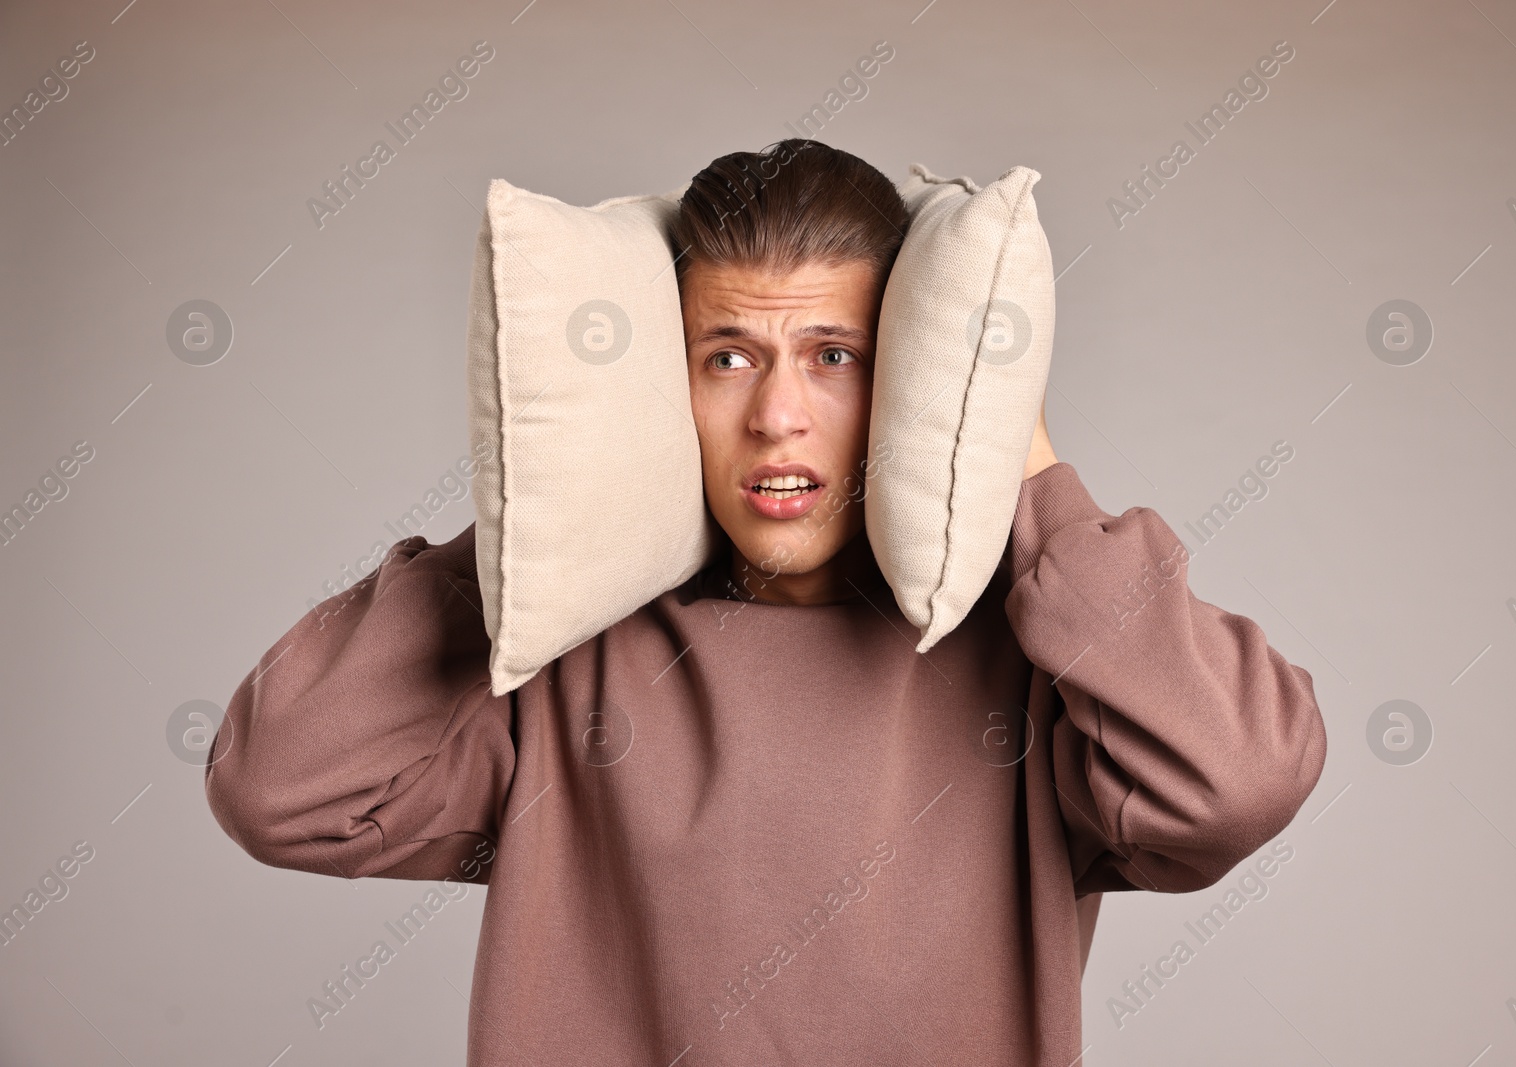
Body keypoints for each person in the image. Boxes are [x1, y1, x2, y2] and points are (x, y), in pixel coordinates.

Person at [205, 138, 1327, 1066]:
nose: (779, 413)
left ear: (909, 371)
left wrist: (1021, 466)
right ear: (660, 383)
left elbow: (1231, 781)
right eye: (727, 357)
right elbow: (284, 789)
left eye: (834, 353)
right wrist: (536, 507)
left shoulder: (1032, 656)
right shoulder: (567, 657)